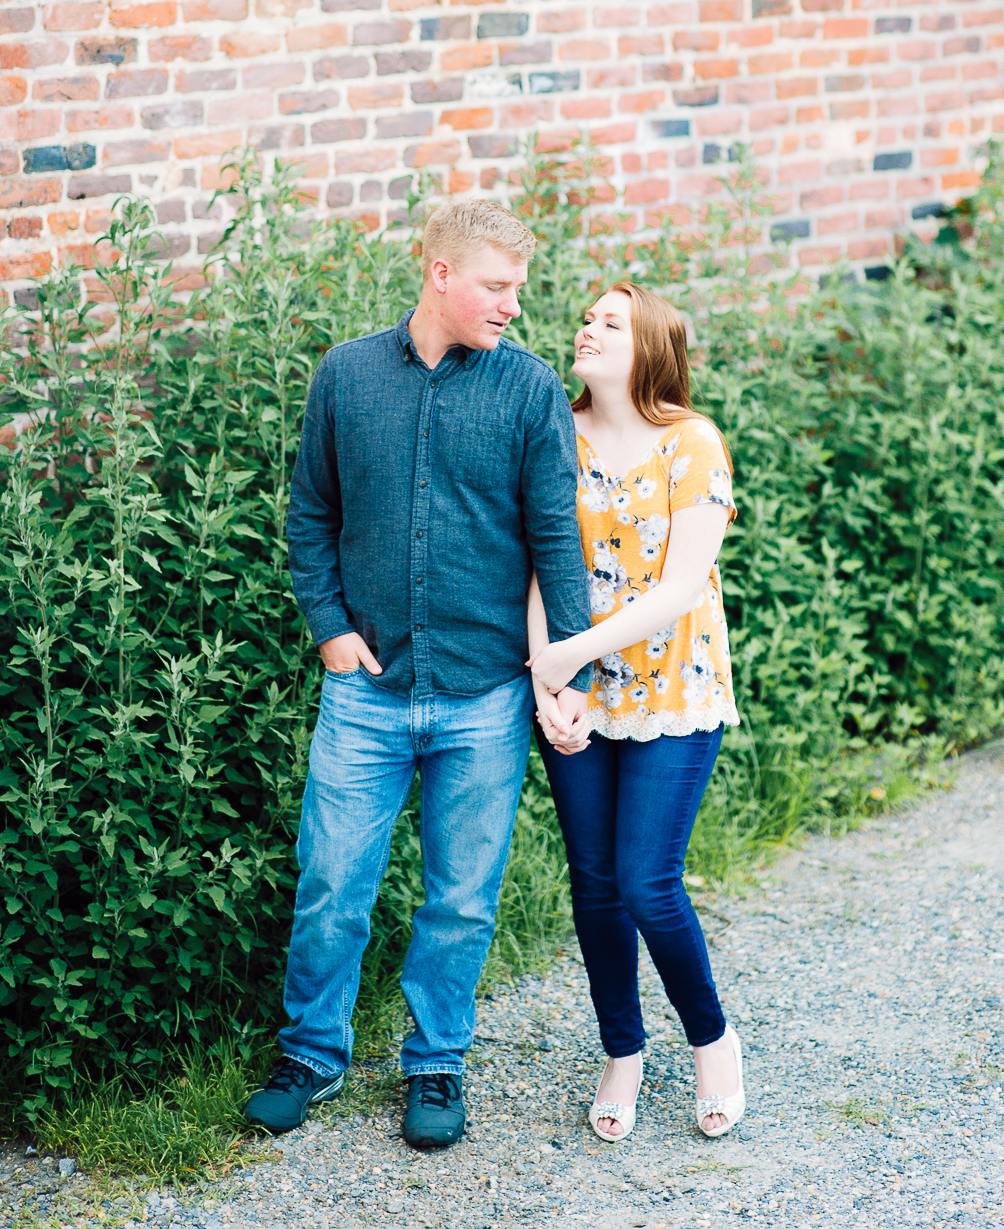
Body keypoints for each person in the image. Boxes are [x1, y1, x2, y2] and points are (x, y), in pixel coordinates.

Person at [244, 200, 593, 1151]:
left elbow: (554, 537)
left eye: (518, 286)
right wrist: (328, 632)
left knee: (461, 899)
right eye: (496, 285)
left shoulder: (528, 390)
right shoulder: (347, 377)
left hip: (486, 694)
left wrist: (567, 672)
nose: (514, 305)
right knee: (332, 884)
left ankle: (436, 1062)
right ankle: (312, 1054)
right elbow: (310, 514)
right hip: (365, 690)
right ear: (439, 272)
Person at [526, 282, 744, 1144]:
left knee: (647, 882)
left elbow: (682, 586)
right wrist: (554, 683)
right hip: (578, 692)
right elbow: (545, 564)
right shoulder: (557, 437)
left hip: (675, 690)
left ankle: (714, 1046)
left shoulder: (692, 443)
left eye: (609, 323)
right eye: (586, 318)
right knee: (594, 886)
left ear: (650, 347)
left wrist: (572, 654)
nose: (588, 328)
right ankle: (623, 1052)